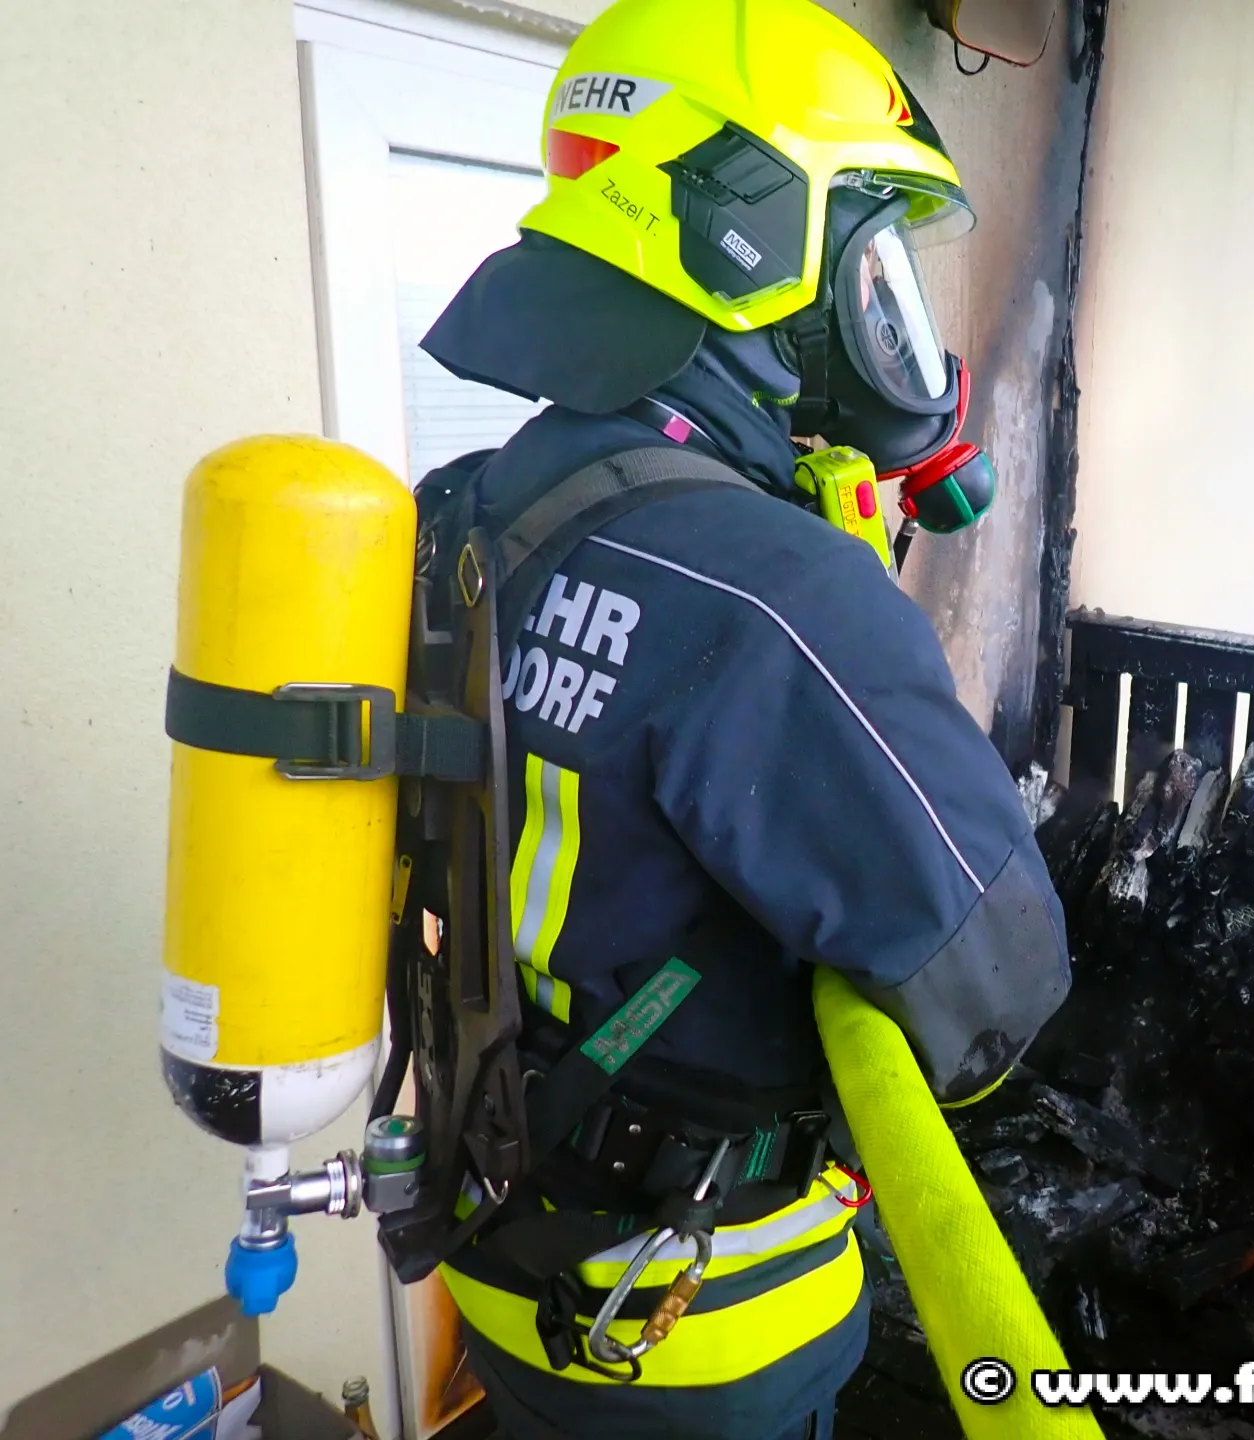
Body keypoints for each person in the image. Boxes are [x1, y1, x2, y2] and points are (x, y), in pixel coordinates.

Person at [411, 2, 1072, 1435]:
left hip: (501, 1250)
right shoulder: (777, 593)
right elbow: (993, 991)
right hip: (699, 1317)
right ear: (746, 229)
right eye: (869, 253)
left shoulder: (465, 513)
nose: (885, 316)